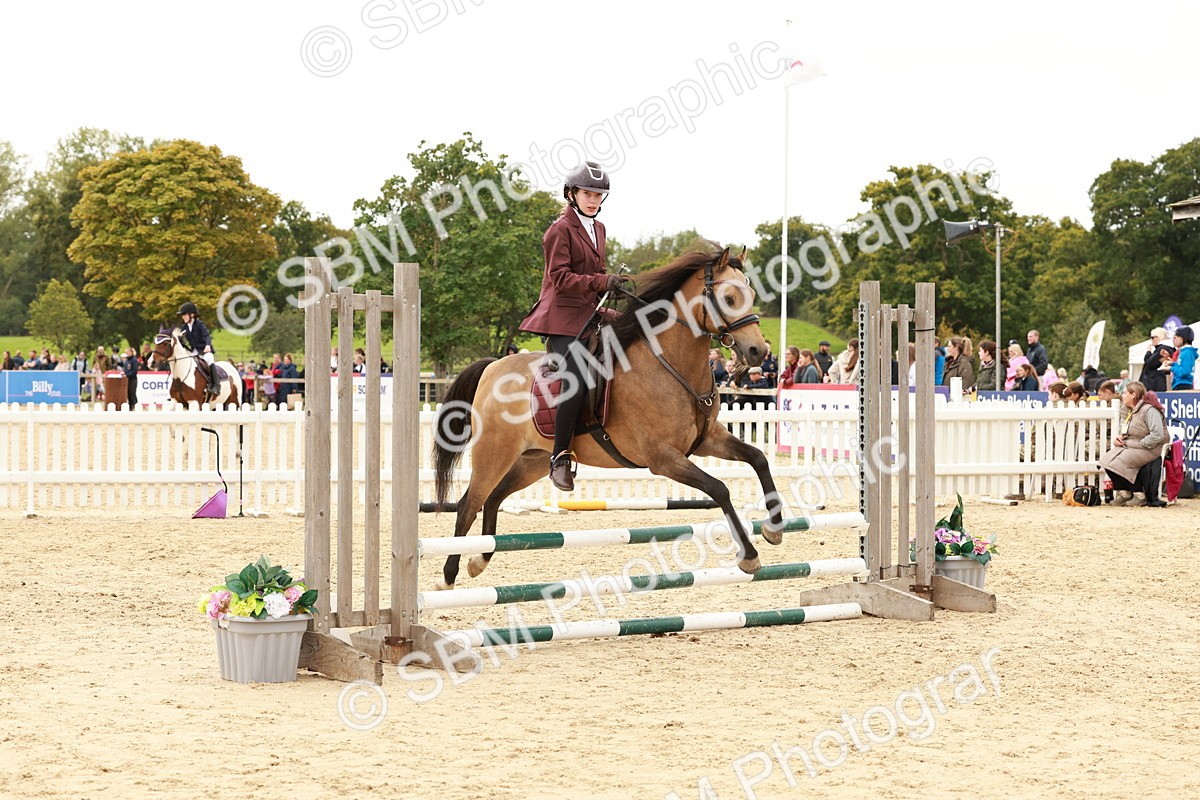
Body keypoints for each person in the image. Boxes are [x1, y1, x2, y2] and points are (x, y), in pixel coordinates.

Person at [518, 161, 625, 492]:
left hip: (588, 312)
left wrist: (612, 286)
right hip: (562, 318)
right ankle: (560, 458)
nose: (593, 200)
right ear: (572, 194)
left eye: (598, 195)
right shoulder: (559, 230)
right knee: (576, 377)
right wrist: (600, 281)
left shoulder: (599, 228)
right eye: (587, 194)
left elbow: (596, 274)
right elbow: (560, 278)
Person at [1099, 381, 1168, 506]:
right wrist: (1119, 438)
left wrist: (1140, 443)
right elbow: (1127, 431)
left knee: (1120, 461)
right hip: (1132, 445)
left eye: (1125, 392)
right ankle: (1125, 492)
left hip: (1151, 447)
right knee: (1106, 460)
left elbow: (1157, 435)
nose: (1122, 395)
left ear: (1133, 395)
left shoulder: (1149, 410)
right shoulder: (1127, 411)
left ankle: (1138, 493)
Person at [178, 302, 219, 402]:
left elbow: (207, 336)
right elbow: (181, 340)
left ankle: (215, 385)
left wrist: (208, 345)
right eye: (182, 315)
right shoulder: (184, 327)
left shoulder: (200, 324)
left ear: (192, 315)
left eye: (184, 315)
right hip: (194, 351)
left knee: (209, 359)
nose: (183, 317)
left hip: (204, 350)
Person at [1140, 327, 1174, 393]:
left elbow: (1149, 363)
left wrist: (1148, 352)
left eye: (1153, 337)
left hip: (1156, 385)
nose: (1151, 340)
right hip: (1159, 383)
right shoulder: (1166, 348)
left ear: (1159, 337)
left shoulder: (1162, 349)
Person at [1169, 326, 1197, 390]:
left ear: (1184, 339)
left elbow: (1184, 371)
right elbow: (1181, 367)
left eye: (1177, 337)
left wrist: (1171, 368)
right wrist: (1172, 364)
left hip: (1183, 385)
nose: (1174, 339)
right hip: (1180, 383)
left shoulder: (1187, 352)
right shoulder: (1183, 352)